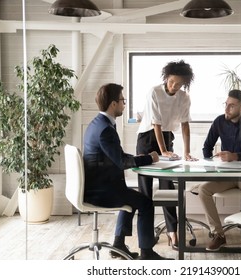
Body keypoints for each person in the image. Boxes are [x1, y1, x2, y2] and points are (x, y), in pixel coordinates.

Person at [83, 83, 172, 260]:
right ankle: (147, 253)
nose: (124, 104)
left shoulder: (98, 123)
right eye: (123, 100)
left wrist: (138, 157)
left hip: (99, 186)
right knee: (145, 203)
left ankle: (118, 245)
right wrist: (150, 158)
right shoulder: (105, 130)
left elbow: (117, 156)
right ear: (113, 104)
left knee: (131, 197)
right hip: (101, 192)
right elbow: (123, 162)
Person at [136, 60, 198, 249]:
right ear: (166, 77)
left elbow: (185, 124)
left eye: (178, 84)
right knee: (145, 192)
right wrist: (163, 151)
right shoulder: (154, 92)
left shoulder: (184, 97)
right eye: (172, 82)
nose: (174, 86)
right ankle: (145, 240)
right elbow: (156, 124)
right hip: (147, 138)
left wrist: (186, 152)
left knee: (167, 187)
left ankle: (173, 233)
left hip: (167, 136)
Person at [196, 89, 241, 251]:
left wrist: (235, 156)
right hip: (225, 174)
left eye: (231, 106)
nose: (226, 109)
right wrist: (210, 166)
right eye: (226, 105)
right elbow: (207, 147)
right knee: (203, 189)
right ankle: (218, 234)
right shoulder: (219, 121)